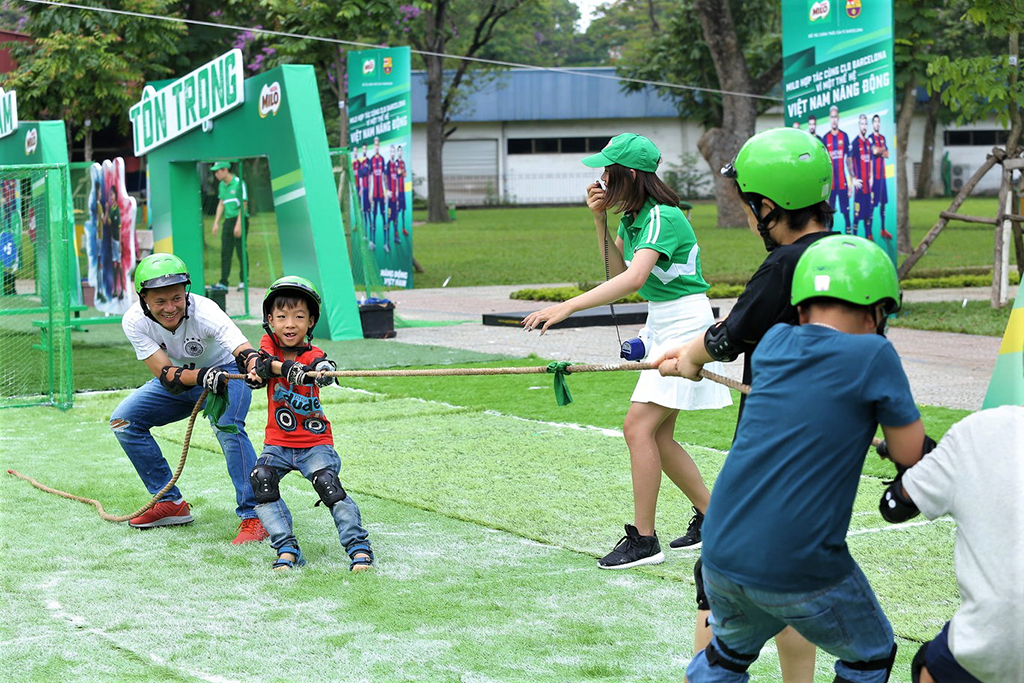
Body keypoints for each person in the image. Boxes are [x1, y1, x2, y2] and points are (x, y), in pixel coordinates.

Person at [663, 236, 929, 682]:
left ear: (801, 309)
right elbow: (909, 455)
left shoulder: (774, 342)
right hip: (799, 563)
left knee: (729, 653)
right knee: (871, 653)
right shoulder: (875, 353)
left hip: (721, 553)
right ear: (876, 313)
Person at [656, 127, 836, 681]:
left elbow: (729, 336)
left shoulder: (784, 265)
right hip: (823, 452)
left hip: (768, 451)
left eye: (748, 203)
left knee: (717, 569)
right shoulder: (846, 256)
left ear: (766, 206)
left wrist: (687, 354)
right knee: (790, 578)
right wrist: (693, 348)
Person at [522, 132, 732, 570]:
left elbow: (633, 281)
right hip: (664, 321)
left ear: (629, 175)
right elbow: (617, 273)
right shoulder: (635, 219)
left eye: (607, 170)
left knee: (637, 427)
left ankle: (644, 540)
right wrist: (599, 223)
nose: (600, 179)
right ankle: (715, 519)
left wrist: (567, 307)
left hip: (685, 323)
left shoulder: (663, 216)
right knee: (656, 434)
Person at [110, 253, 268, 544]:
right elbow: (168, 376)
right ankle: (169, 503)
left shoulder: (206, 311)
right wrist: (201, 376)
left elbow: (244, 352)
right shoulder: (133, 320)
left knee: (228, 428)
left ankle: (256, 515)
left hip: (226, 373)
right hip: (185, 378)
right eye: (160, 301)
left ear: (187, 291)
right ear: (143, 298)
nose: (170, 308)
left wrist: (255, 367)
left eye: (177, 298)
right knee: (124, 421)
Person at [877, 405, 1024, 683]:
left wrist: (916, 463)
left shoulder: (978, 430)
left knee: (929, 666)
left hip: (997, 643)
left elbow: (894, 506)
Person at [247, 276, 374, 572]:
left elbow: (322, 368)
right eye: (281, 317)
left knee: (327, 485)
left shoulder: (313, 355)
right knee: (261, 478)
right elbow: (262, 363)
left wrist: (323, 371)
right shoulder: (268, 348)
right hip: (277, 444)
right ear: (270, 320)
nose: (289, 324)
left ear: (311, 322)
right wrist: (259, 371)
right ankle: (287, 548)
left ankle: (358, 546)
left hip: (315, 444)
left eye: (299, 317)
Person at [211, 161, 249, 290]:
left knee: (240, 250)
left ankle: (244, 281)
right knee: (225, 251)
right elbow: (221, 203)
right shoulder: (222, 185)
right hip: (228, 220)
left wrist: (239, 224)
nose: (216, 174)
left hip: (240, 218)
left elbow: (244, 204)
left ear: (225, 170)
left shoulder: (239, 183)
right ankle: (223, 282)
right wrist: (216, 222)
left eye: (218, 171)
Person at [822, 105, 856, 233]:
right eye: (832, 117)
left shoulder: (845, 136)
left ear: (838, 118)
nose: (834, 119)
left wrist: (851, 183)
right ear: (829, 119)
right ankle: (827, 238)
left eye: (836, 117)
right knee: (829, 214)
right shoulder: (826, 138)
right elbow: (824, 164)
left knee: (846, 213)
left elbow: (849, 160)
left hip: (842, 184)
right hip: (831, 186)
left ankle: (849, 236)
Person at [869, 115, 893, 241]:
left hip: (883, 176)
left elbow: (887, 153)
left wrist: (880, 151)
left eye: (878, 122)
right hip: (874, 177)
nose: (877, 124)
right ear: (872, 124)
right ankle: (870, 232)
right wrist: (880, 150)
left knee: (883, 203)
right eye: (875, 122)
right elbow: (874, 151)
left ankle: (883, 229)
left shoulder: (882, 138)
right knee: (872, 205)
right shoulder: (870, 138)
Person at [851, 114, 874, 240]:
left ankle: (867, 240)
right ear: (859, 125)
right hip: (859, 188)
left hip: (867, 188)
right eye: (862, 124)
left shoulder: (868, 143)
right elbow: (848, 160)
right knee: (856, 216)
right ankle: (854, 240)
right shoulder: (855, 143)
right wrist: (853, 178)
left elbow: (870, 160)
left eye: (866, 124)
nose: (864, 126)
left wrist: (871, 177)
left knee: (867, 216)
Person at [370, 137, 387, 250]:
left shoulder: (382, 159)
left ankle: (385, 243)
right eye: (375, 145)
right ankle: (373, 242)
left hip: (381, 194)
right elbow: (371, 177)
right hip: (374, 195)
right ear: (374, 146)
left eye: (378, 145)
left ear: (379, 146)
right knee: (374, 218)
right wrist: (369, 194)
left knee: (384, 218)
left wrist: (385, 193)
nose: (376, 147)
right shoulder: (371, 160)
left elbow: (384, 178)